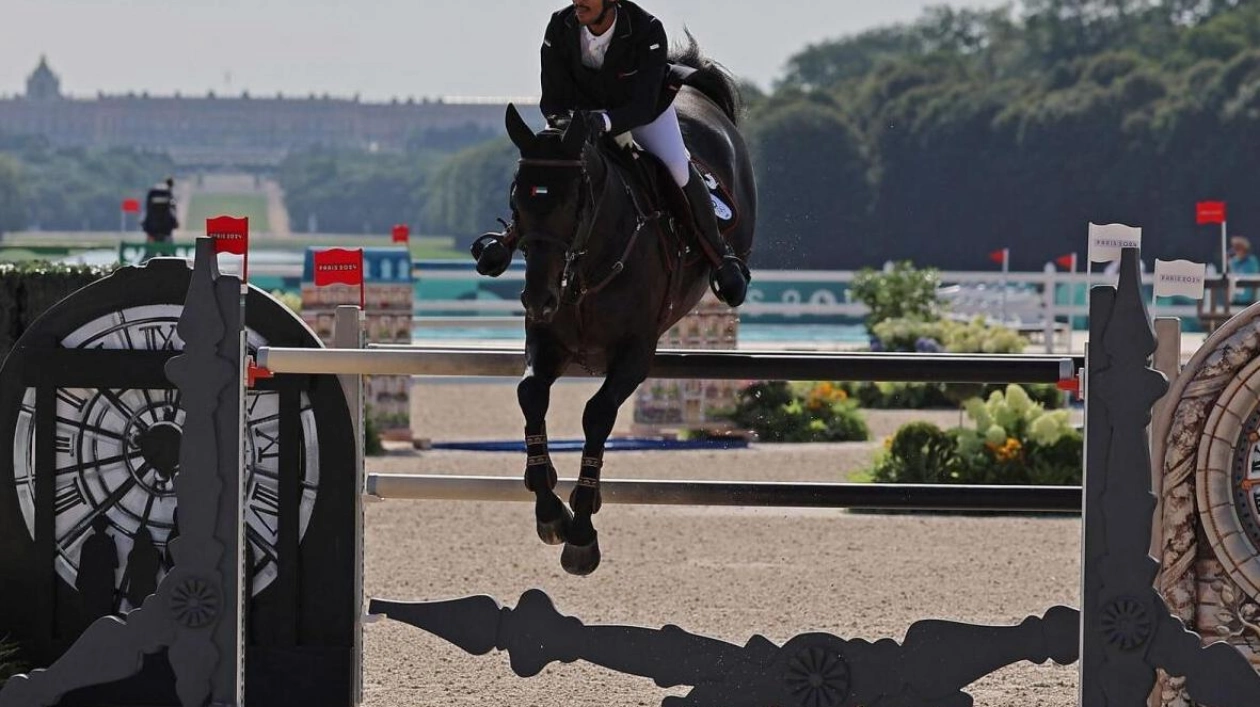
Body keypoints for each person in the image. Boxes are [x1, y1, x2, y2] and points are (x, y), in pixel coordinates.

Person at [472, 0, 749, 306]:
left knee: (677, 166)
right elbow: (551, 98)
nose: (578, 2)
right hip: (581, 119)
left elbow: (641, 106)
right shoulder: (559, 26)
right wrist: (570, 125)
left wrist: (604, 121)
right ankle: (510, 238)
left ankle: (720, 256)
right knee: (548, 169)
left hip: (642, 116)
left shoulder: (647, 30)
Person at [141, 176, 179, 244]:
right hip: (166, 229)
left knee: (150, 250)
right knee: (168, 248)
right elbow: (173, 209)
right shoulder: (167, 193)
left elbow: (147, 209)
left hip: (151, 228)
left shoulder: (153, 192)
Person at [1229, 236, 1260, 305]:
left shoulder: (1252, 261)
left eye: (1238, 249)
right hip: (1236, 297)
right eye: (1235, 249)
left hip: (1250, 299)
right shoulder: (1233, 262)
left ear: (1244, 249)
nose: (1236, 251)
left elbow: (1255, 277)